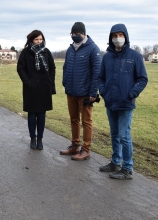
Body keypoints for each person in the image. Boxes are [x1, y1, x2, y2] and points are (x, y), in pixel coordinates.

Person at [97, 24, 148, 180]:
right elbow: (101, 78)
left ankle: (127, 168)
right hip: (111, 102)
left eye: (120, 35)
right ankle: (115, 161)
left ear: (125, 36)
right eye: (114, 35)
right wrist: (104, 91)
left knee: (124, 136)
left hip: (126, 103)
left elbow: (142, 79)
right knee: (114, 134)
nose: (117, 38)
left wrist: (131, 93)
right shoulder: (107, 57)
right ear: (110, 38)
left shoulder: (135, 56)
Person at [59, 22, 101, 160]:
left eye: (78, 33)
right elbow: (65, 67)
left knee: (86, 122)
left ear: (84, 33)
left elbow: (97, 72)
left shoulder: (93, 49)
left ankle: (86, 149)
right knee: (73, 119)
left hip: (85, 93)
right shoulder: (70, 49)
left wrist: (93, 93)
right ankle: (75, 145)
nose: (75, 36)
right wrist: (65, 82)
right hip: (71, 91)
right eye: (73, 34)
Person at [17, 30, 56, 150]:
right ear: (31, 40)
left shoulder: (46, 52)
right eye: (36, 39)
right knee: (32, 114)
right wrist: (28, 82)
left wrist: (49, 81)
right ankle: (32, 138)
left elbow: (52, 67)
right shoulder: (25, 52)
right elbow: (20, 68)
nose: (39, 41)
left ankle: (40, 139)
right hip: (31, 88)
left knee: (42, 114)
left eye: (40, 39)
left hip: (44, 88)